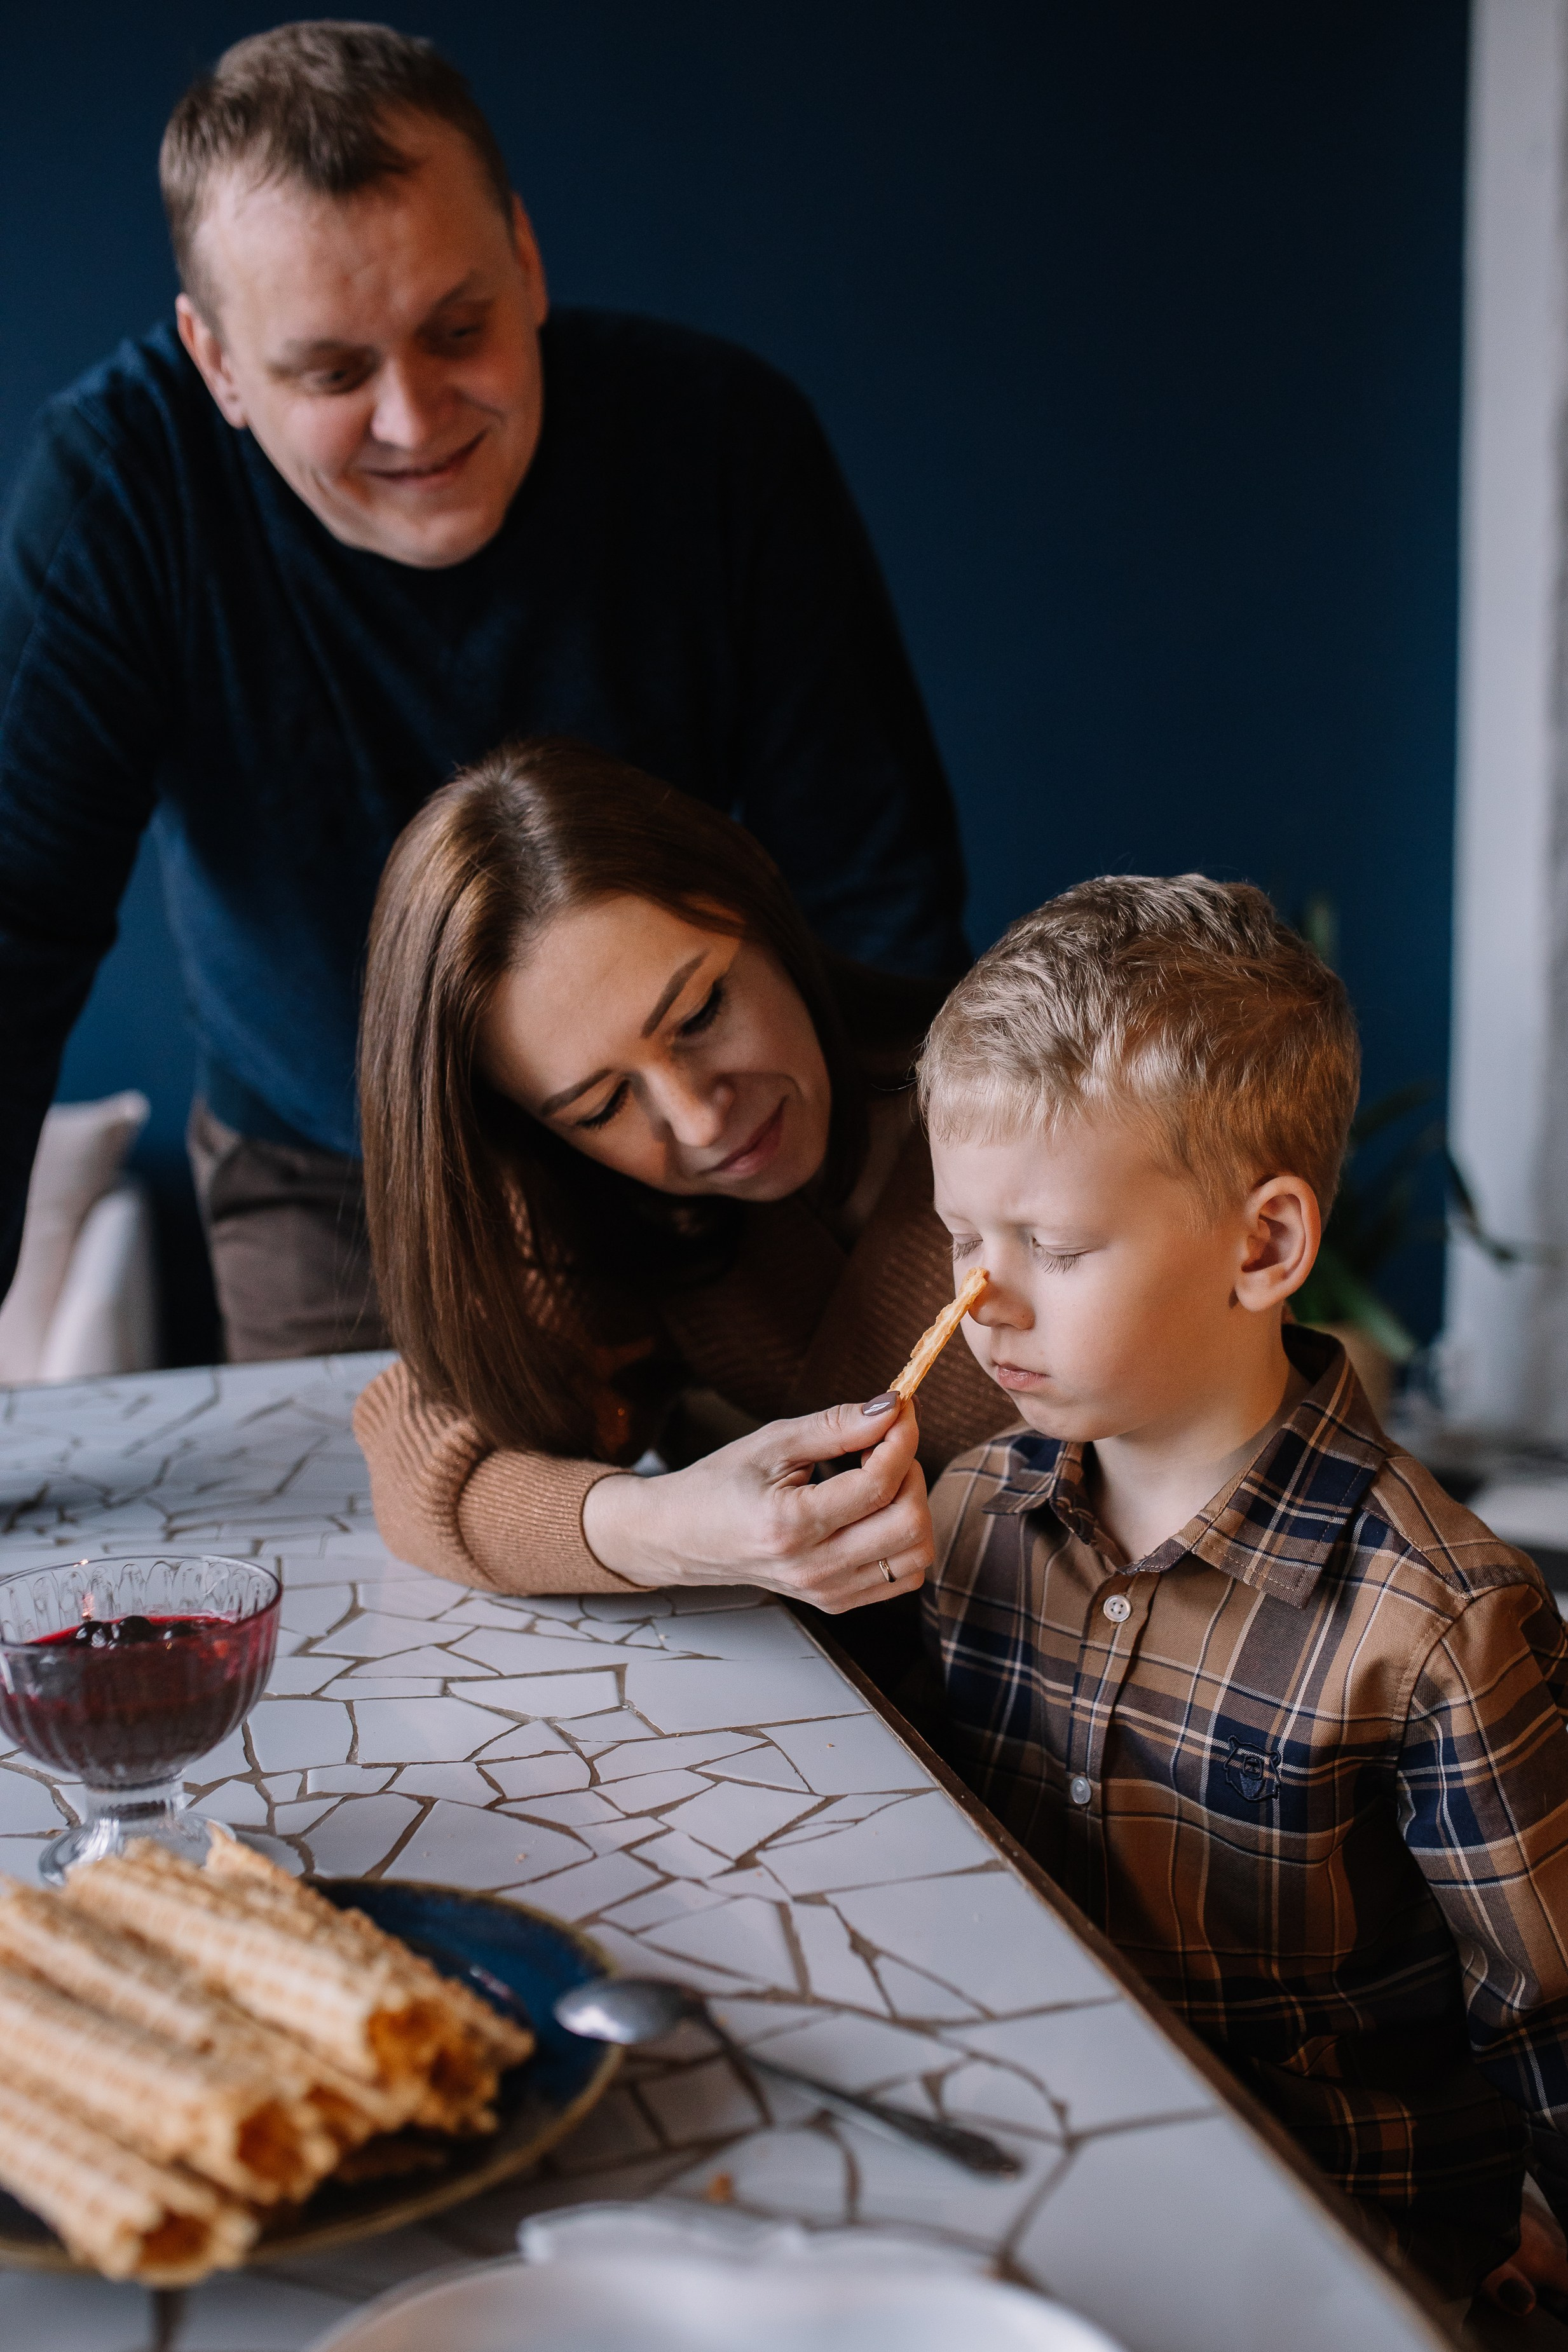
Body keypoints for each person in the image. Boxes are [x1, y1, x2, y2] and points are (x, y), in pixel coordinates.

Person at [0, 20, 968, 1364]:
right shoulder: (117, 498)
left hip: (712, 1117)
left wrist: (890, 1219)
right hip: (332, 1177)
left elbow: (879, 890)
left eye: (458, 331)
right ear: (216, 363)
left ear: (525, 256)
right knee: (380, 1494)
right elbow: (15, 932)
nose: (415, 419)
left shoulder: (720, 440)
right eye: (333, 373)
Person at [916, 875, 1568, 2323]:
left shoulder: (1439, 1624)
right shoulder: (968, 1512)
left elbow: (1551, 2009)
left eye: (1054, 1249)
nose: (983, 1303)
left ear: (1264, 1246)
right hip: (1028, 2168)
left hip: (1333, 2242)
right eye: (963, 1238)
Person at [351, 736, 1009, 1652]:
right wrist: (668, 1528)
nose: (700, 1123)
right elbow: (427, 1450)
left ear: (759, 901)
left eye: (700, 1014)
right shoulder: (614, 1213)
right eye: (602, 1106)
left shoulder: (1041, 1111)